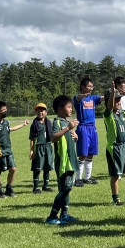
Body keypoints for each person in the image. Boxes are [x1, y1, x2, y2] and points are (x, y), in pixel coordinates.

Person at [45, 95, 80, 225]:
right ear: (60, 109)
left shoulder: (66, 123)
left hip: (71, 160)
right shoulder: (57, 122)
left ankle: (64, 214)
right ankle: (52, 216)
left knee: (68, 187)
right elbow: (53, 137)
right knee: (65, 188)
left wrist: (75, 136)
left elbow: (71, 139)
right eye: (69, 107)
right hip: (63, 162)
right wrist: (68, 128)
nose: (71, 110)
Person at [0, 101, 29, 198]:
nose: (5, 112)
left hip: (8, 151)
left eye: (6, 110)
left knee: (13, 169)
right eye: (3, 111)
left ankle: (9, 188)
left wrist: (23, 124)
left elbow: (10, 130)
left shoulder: (6, 122)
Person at [73, 78, 102, 186]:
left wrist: (118, 93)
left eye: (92, 86)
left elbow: (104, 97)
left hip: (92, 128)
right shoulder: (78, 98)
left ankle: (87, 178)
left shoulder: (92, 98)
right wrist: (82, 96)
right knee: (82, 154)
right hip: (83, 127)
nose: (91, 88)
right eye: (89, 86)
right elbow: (77, 98)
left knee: (90, 154)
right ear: (82, 86)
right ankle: (78, 179)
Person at [29, 103, 55, 194]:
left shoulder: (49, 123)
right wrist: (32, 150)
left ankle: (46, 186)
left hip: (48, 147)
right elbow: (32, 139)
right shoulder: (34, 124)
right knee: (37, 168)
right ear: (36, 112)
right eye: (38, 111)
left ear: (46, 112)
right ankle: (35, 187)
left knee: (47, 167)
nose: (40, 112)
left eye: (42, 111)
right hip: (38, 147)